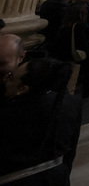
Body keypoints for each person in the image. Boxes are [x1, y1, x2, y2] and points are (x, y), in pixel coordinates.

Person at [1, 57, 82, 185]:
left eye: (11, 78)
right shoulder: (69, 103)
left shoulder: (14, 112)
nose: (5, 81)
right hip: (57, 176)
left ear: (23, 88)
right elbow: (70, 150)